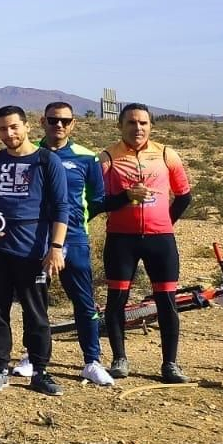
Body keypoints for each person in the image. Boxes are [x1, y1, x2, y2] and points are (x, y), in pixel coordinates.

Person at [0, 106, 69, 396]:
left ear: (26, 126)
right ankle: (0, 367)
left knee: (36, 313)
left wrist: (56, 247)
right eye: (2, 128)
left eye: (14, 127)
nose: (9, 133)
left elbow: (61, 208)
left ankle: (40, 371)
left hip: (33, 251)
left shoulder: (46, 161)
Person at [100, 103, 194, 384]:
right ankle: (119, 359)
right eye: (131, 122)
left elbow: (184, 196)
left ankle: (170, 364)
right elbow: (99, 201)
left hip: (160, 241)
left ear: (151, 126)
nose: (137, 128)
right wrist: (126, 197)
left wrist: (164, 224)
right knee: (117, 300)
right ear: (120, 126)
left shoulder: (167, 154)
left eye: (143, 123)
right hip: (121, 240)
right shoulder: (107, 158)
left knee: (166, 301)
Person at [39, 101, 110, 385]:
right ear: (42, 121)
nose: (59, 125)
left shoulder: (86, 157)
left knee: (83, 301)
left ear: (73, 124)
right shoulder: (31, 152)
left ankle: (92, 361)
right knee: (36, 300)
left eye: (65, 121)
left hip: (75, 239)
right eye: (54, 120)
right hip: (38, 238)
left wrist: (75, 221)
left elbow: (97, 199)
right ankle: (34, 355)